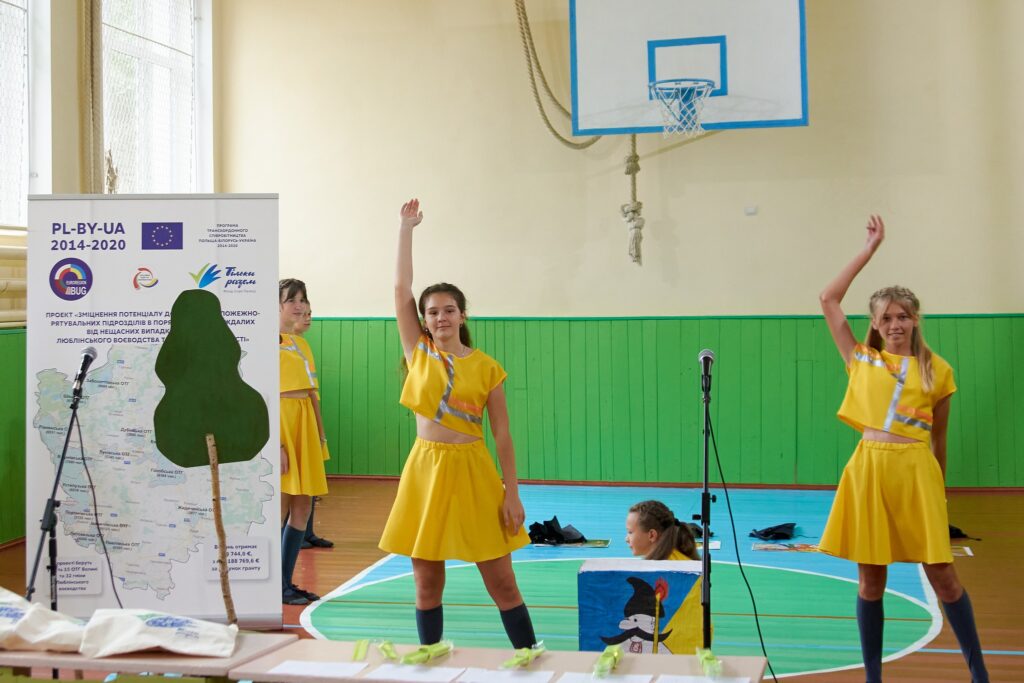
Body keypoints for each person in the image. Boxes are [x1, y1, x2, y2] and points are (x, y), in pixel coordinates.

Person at [818, 216, 988, 683]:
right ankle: (873, 678)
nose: (895, 324)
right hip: (869, 471)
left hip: (917, 473)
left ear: (915, 320)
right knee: (871, 581)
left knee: (944, 578)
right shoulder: (861, 360)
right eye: (886, 317)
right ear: (875, 323)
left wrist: (940, 494)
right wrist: (868, 250)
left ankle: (980, 674)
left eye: (903, 316)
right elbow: (828, 298)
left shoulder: (939, 371)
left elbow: (939, 441)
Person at [379, 198, 537, 648]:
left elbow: (502, 434)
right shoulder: (419, 353)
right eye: (432, 312)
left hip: (474, 470)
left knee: (502, 582)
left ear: (462, 315)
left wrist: (512, 493)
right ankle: (429, 657)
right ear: (424, 321)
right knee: (426, 583)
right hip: (425, 470)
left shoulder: (488, 368)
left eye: (449, 309)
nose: (440, 317)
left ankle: (530, 657)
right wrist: (406, 228)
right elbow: (400, 288)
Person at [279, 278, 329, 605]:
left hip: (305, 423)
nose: (299, 306)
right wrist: (275, 443)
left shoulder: (301, 344)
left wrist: (320, 435)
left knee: (302, 505)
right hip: (282, 424)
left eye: (303, 299)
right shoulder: (262, 341)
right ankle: (273, 584)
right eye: (291, 300)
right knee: (280, 506)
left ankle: (286, 582)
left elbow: (312, 394)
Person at [291, 303, 335, 551]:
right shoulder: (283, 345)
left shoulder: (303, 345)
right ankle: (295, 534)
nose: (307, 318)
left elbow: (311, 389)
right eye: (301, 314)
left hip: (309, 413)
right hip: (294, 419)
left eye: (309, 314)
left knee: (311, 479)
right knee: (295, 485)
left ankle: (308, 533)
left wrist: (319, 427)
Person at [625, 500, 699, 561]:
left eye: (630, 532)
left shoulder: (658, 568)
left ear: (652, 535)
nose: (626, 539)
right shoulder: (677, 559)